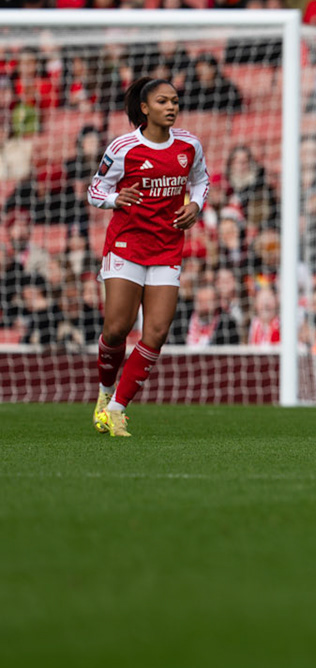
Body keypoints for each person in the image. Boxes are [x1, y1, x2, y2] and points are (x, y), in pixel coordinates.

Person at [85, 78, 209, 436]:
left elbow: (202, 180)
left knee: (155, 331)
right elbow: (96, 189)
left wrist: (196, 205)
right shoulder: (124, 148)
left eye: (175, 101)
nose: (171, 107)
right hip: (127, 245)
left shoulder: (189, 145)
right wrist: (115, 200)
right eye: (162, 101)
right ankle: (104, 393)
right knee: (117, 328)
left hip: (167, 247)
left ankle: (116, 410)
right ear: (145, 108)